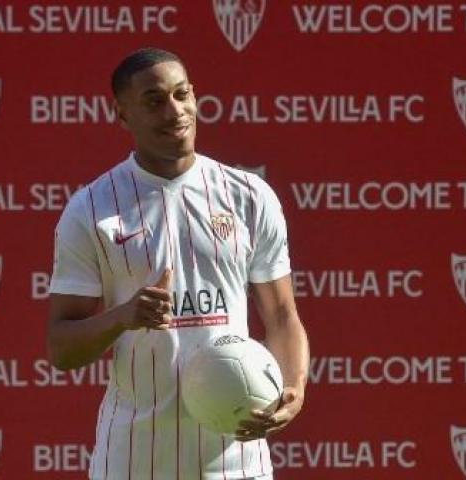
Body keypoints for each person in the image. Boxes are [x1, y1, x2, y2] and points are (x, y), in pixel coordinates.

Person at [47, 47, 309, 480]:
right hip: (134, 457)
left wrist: (294, 387)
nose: (175, 111)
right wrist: (123, 317)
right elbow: (62, 347)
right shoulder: (91, 209)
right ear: (122, 114)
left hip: (237, 459)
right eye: (154, 100)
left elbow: (282, 315)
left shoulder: (248, 195)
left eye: (182, 94)